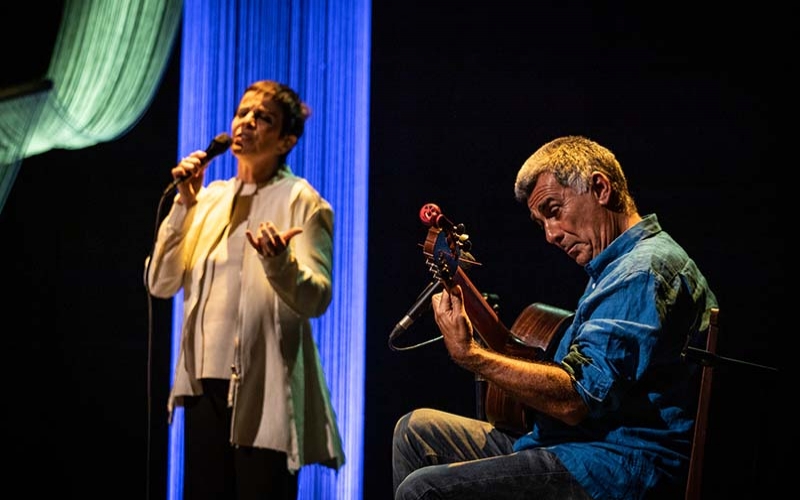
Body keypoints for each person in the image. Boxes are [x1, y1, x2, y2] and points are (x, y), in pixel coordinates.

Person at [392, 135, 718, 499]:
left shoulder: (642, 271)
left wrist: (471, 355)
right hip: (580, 446)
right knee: (415, 432)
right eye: (539, 221)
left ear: (600, 188)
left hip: (617, 465)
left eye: (553, 210)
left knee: (422, 489)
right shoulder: (615, 268)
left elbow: (575, 400)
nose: (549, 235)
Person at [145, 80, 345, 500]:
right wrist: (183, 204)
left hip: (266, 388)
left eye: (263, 117)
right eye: (242, 113)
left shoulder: (302, 200)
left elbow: (319, 296)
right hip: (203, 387)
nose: (247, 122)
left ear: (287, 139)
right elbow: (160, 283)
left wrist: (279, 263)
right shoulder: (208, 199)